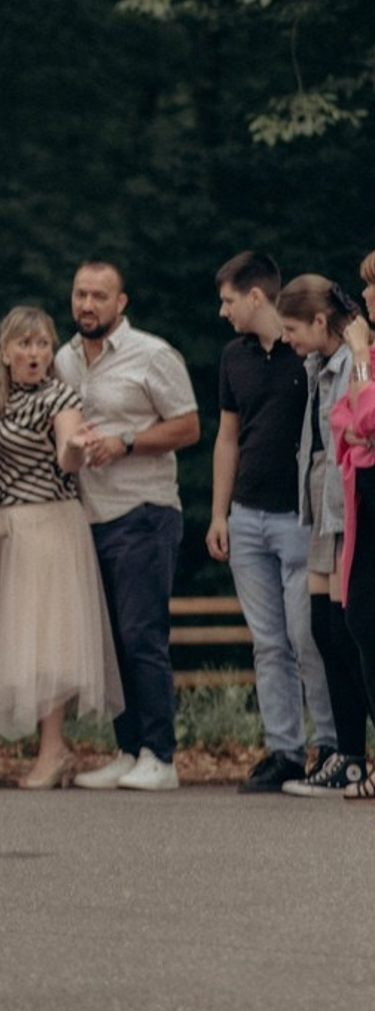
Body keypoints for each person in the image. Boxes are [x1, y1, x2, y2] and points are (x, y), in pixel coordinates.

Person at [56, 260, 200, 793]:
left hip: (143, 510)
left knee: (142, 635)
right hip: (87, 515)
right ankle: (127, 747)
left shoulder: (153, 354)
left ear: (122, 303)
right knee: (111, 642)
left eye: (99, 296)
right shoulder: (63, 359)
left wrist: (126, 442)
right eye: (80, 294)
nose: (87, 305)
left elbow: (189, 425)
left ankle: (161, 755)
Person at [0, 307, 123, 788]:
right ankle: (46, 749)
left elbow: (67, 451)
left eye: (42, 344)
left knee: (51, 640)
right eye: (24, 344)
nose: (34, 353)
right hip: (10, 528)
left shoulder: (61, 396)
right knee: (22, 638)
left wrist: (77, 447)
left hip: (51, 524)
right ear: (5, 351)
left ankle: (54, 748)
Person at [205, 253, 335, 793]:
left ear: (256, 297)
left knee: (307, 638)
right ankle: (282, 750)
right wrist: (219, 513)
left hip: (298, 517)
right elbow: (227, 437)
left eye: (228, 300)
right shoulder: (233, 357)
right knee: (267, 643)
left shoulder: (302, 352)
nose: (222, 311)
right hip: (247, 518)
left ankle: (328, 744)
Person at [276, 275, 369, 795]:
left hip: (344, 501)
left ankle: (356, 752)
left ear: (318, 321)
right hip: (317, 500)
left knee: (346, 631)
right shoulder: (314, 366)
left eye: (292, 328)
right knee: (321, 631)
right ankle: (345, 753)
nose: (286, 338)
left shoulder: (351, 363)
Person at [325, 256, 375, 800]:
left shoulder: (366, 355)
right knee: (361, 620)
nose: (364, 298)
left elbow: (367, 422)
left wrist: (359, 356)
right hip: (365, 502)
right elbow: (344, 427)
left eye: (372, 286)